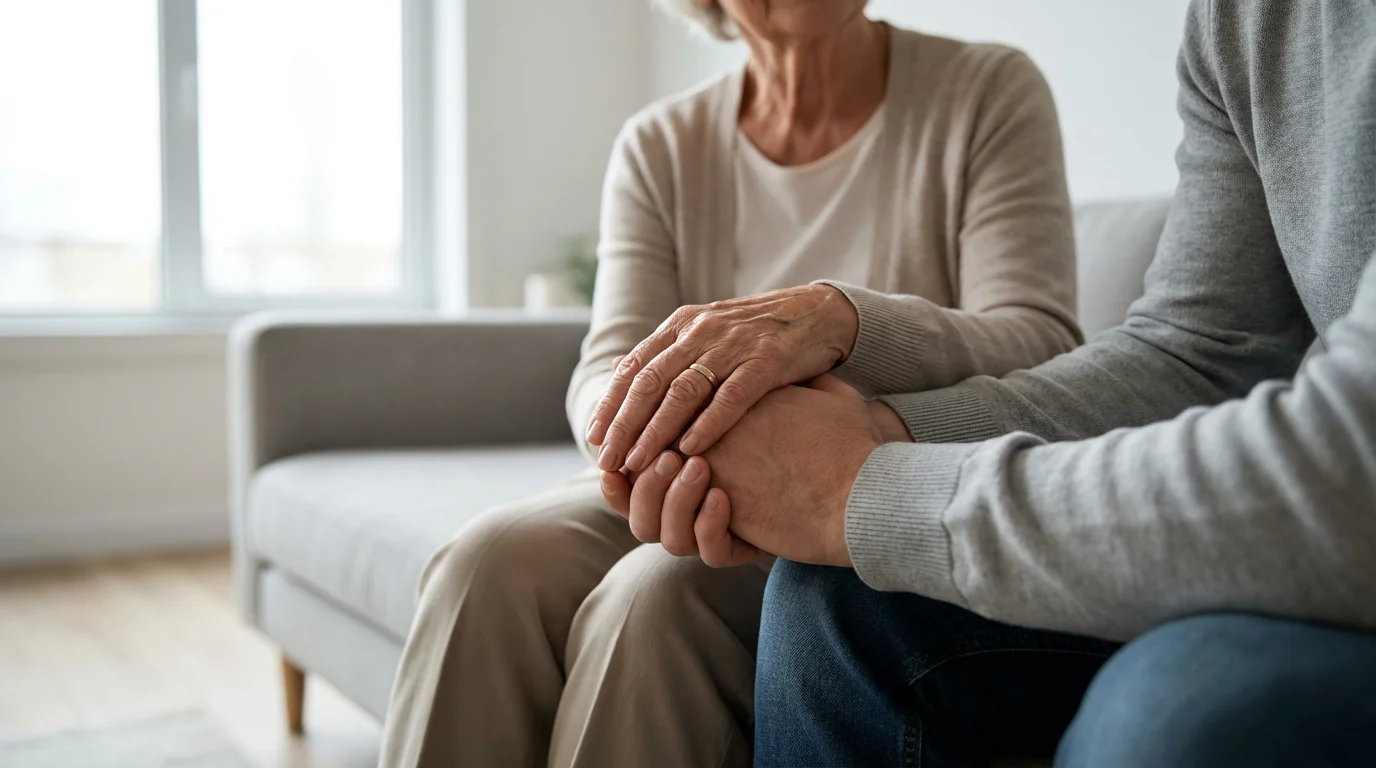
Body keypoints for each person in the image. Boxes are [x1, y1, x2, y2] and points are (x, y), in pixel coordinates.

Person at [609, 1, 1376, 765]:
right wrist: (881, 436)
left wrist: (858, 482)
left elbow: (1354, 467)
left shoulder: (983, 87)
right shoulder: (1242, 17)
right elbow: (1200, 355)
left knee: (1171, 715)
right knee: (829, 604)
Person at [379, 0, 1084, 764]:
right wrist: (668, 447)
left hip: (865, 491)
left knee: (651, 598)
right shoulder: (662, 145)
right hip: (682, 473)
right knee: (485, 563)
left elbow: (1040, 341)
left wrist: (842, 322)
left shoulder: (984, 90)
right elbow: (607, 362)